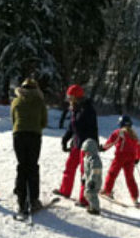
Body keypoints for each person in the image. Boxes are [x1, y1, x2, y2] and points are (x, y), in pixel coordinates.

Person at [54, 84, 98, 207]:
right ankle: (65, 190)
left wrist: (93, 146)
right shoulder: (76, 108)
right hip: (76, 144)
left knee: (85, 172)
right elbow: (72, 127)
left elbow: (90, 129)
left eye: (70, 96)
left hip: (86, 146)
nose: (68, 99)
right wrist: (65, 139)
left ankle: (84, 199)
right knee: (69, 167)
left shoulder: (88, 110)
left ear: (75, 97)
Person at [11, 78, 48, 219]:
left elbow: (13, 120)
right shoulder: (40, 102)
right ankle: (33, 199)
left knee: (22, 166)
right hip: (34, 136)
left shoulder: (16, 101)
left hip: (18, 135)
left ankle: (20, 198)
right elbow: (44, 122)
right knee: (32, 166)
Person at [99, 115, 140, 204]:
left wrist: (103, 148)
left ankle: (107, 190)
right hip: (131, 159)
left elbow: (112, 142)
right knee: (130, 177)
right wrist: (137, 158)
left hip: (120, 157)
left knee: (112, 173)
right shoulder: (133, 134)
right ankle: (135, 197)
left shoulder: (119, 132)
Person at [81, 139, 103, 215]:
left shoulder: (95, 160)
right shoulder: (87, 158)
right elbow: (86, 170)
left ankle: (96, 209)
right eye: (85, 151)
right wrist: (84, 177)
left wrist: (92, 181)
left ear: (92, 150)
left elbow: (96, 171)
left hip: (95, 181)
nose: (86, 152)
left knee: (92, 194)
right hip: (88, 180)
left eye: (87, 151)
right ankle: (92, 206)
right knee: (87, 194)